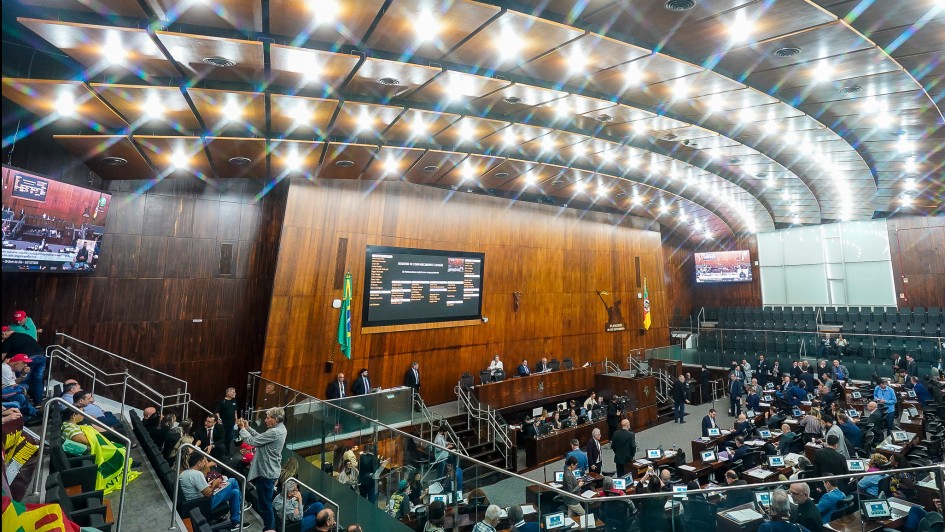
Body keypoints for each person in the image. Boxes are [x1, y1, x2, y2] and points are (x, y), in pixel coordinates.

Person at [61, 408, 140, 493]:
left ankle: (127, 463)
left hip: (92, 449)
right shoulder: (70, 429)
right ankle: (123, 467)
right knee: (120, 450)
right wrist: (90, 432)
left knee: (119, 446)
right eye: (81, 412)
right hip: (90, 452)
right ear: (74, 416)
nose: (83, 414)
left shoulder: (68, 425)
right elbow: (86, 441)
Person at [237, 407, 287, 532]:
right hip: (269, 472)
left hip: (266, 473)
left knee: (265, 506)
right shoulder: (280, 429)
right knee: (265, 504)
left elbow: (253, 442)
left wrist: (242, 429)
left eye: (268, 418)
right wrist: (248, 428)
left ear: (275, 420)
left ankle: (270, 529)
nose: (265, 420)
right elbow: (261, 438)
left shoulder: (275, 432)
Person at [180, 452, 246, 532]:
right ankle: (242, 505)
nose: (205, 463)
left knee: (235, 492)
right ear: (199, 463)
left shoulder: (184, 473)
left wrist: (212, 485)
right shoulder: (196, 474)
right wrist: (215, 484)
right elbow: (208, 493)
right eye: (204, 461)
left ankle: (235, 522)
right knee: (232, 480)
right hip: (204, 503)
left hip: (195, 503)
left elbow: (201, 488)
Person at [1, 326, 46, 406]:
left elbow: (2, 356)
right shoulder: (24, 335)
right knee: (38, 380)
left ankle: (24, 404)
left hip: (28, 357)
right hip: (41, 356)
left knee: (23, 381)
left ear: (4, 334)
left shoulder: (8, 340)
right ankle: (38, 403)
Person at [1, 354, 37, 418]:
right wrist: (20, 388)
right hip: (4, 391)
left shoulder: (11, 368)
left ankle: (30, 413)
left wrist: (23, 375)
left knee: (23, 387)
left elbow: (15, 383)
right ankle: (33, 413)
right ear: (16, 364)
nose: (26, 365)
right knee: (19, 394)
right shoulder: (5, 368)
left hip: (6, 389)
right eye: (24, 363)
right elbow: (13, 386)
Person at [214, 387, 239, 456]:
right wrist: (219, 420)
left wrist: (236, 419)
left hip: (231, 423)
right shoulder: (222, 401)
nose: (235, 393)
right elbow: (217, 412)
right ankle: (219, 452)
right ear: (228, 393)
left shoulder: (234, 400)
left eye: (235, 392)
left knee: (229, 438)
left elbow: (235, 411)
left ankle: (227, 451)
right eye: (233, 392)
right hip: (223, 423)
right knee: (222, 438)